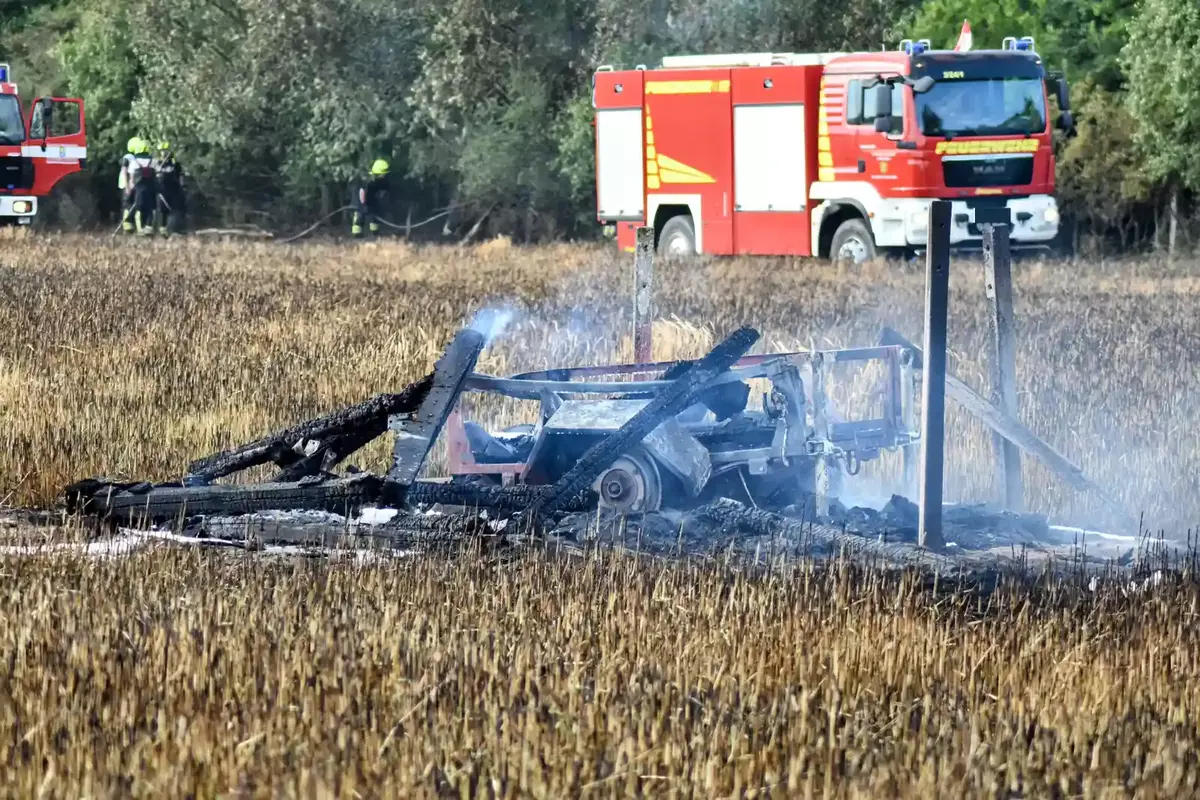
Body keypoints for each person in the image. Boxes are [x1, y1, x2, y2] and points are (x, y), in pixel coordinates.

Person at [118, 137, 157, 236]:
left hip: (131, 185)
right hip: (132, 185)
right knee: (132, 205)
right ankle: (130, 225)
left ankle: (129, 225)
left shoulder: (130, 157)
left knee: (129, 205)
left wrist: (128, 186)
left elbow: (125, 172)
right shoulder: (144, 159)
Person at [152, 140, 186, 236]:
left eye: (165, 150)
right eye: (162, 150)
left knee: (176, 209)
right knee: (163, 210)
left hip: (173, 190)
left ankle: (176, 229)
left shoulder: (175, 164)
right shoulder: (155, 163)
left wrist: (182, 186)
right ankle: (163, 230)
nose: (164, 153)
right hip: (161, 190)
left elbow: (180, 175)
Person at [350, 158, 390, 237]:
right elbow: (362, 195)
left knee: (375, 215)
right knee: (359, 216)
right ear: (380, 173)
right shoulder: (366, 181)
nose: (385, 175)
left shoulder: (379, 181)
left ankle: (375, 233)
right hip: (360, 201)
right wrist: (364, 206)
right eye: (384, 173)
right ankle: (357, 235)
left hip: (370, 201)